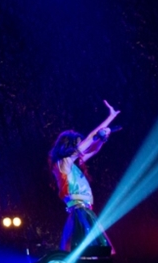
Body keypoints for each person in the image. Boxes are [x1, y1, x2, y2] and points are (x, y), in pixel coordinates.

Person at [49, 100, 120, 254]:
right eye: (78, 144)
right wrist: (107, 122)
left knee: (74, 245)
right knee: (99, 246)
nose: (82, 146)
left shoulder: (74, 164)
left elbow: (94, 149)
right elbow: (91, 138)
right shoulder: (64, 162)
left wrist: (103, 138)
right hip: (79, 208)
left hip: (83, 208)